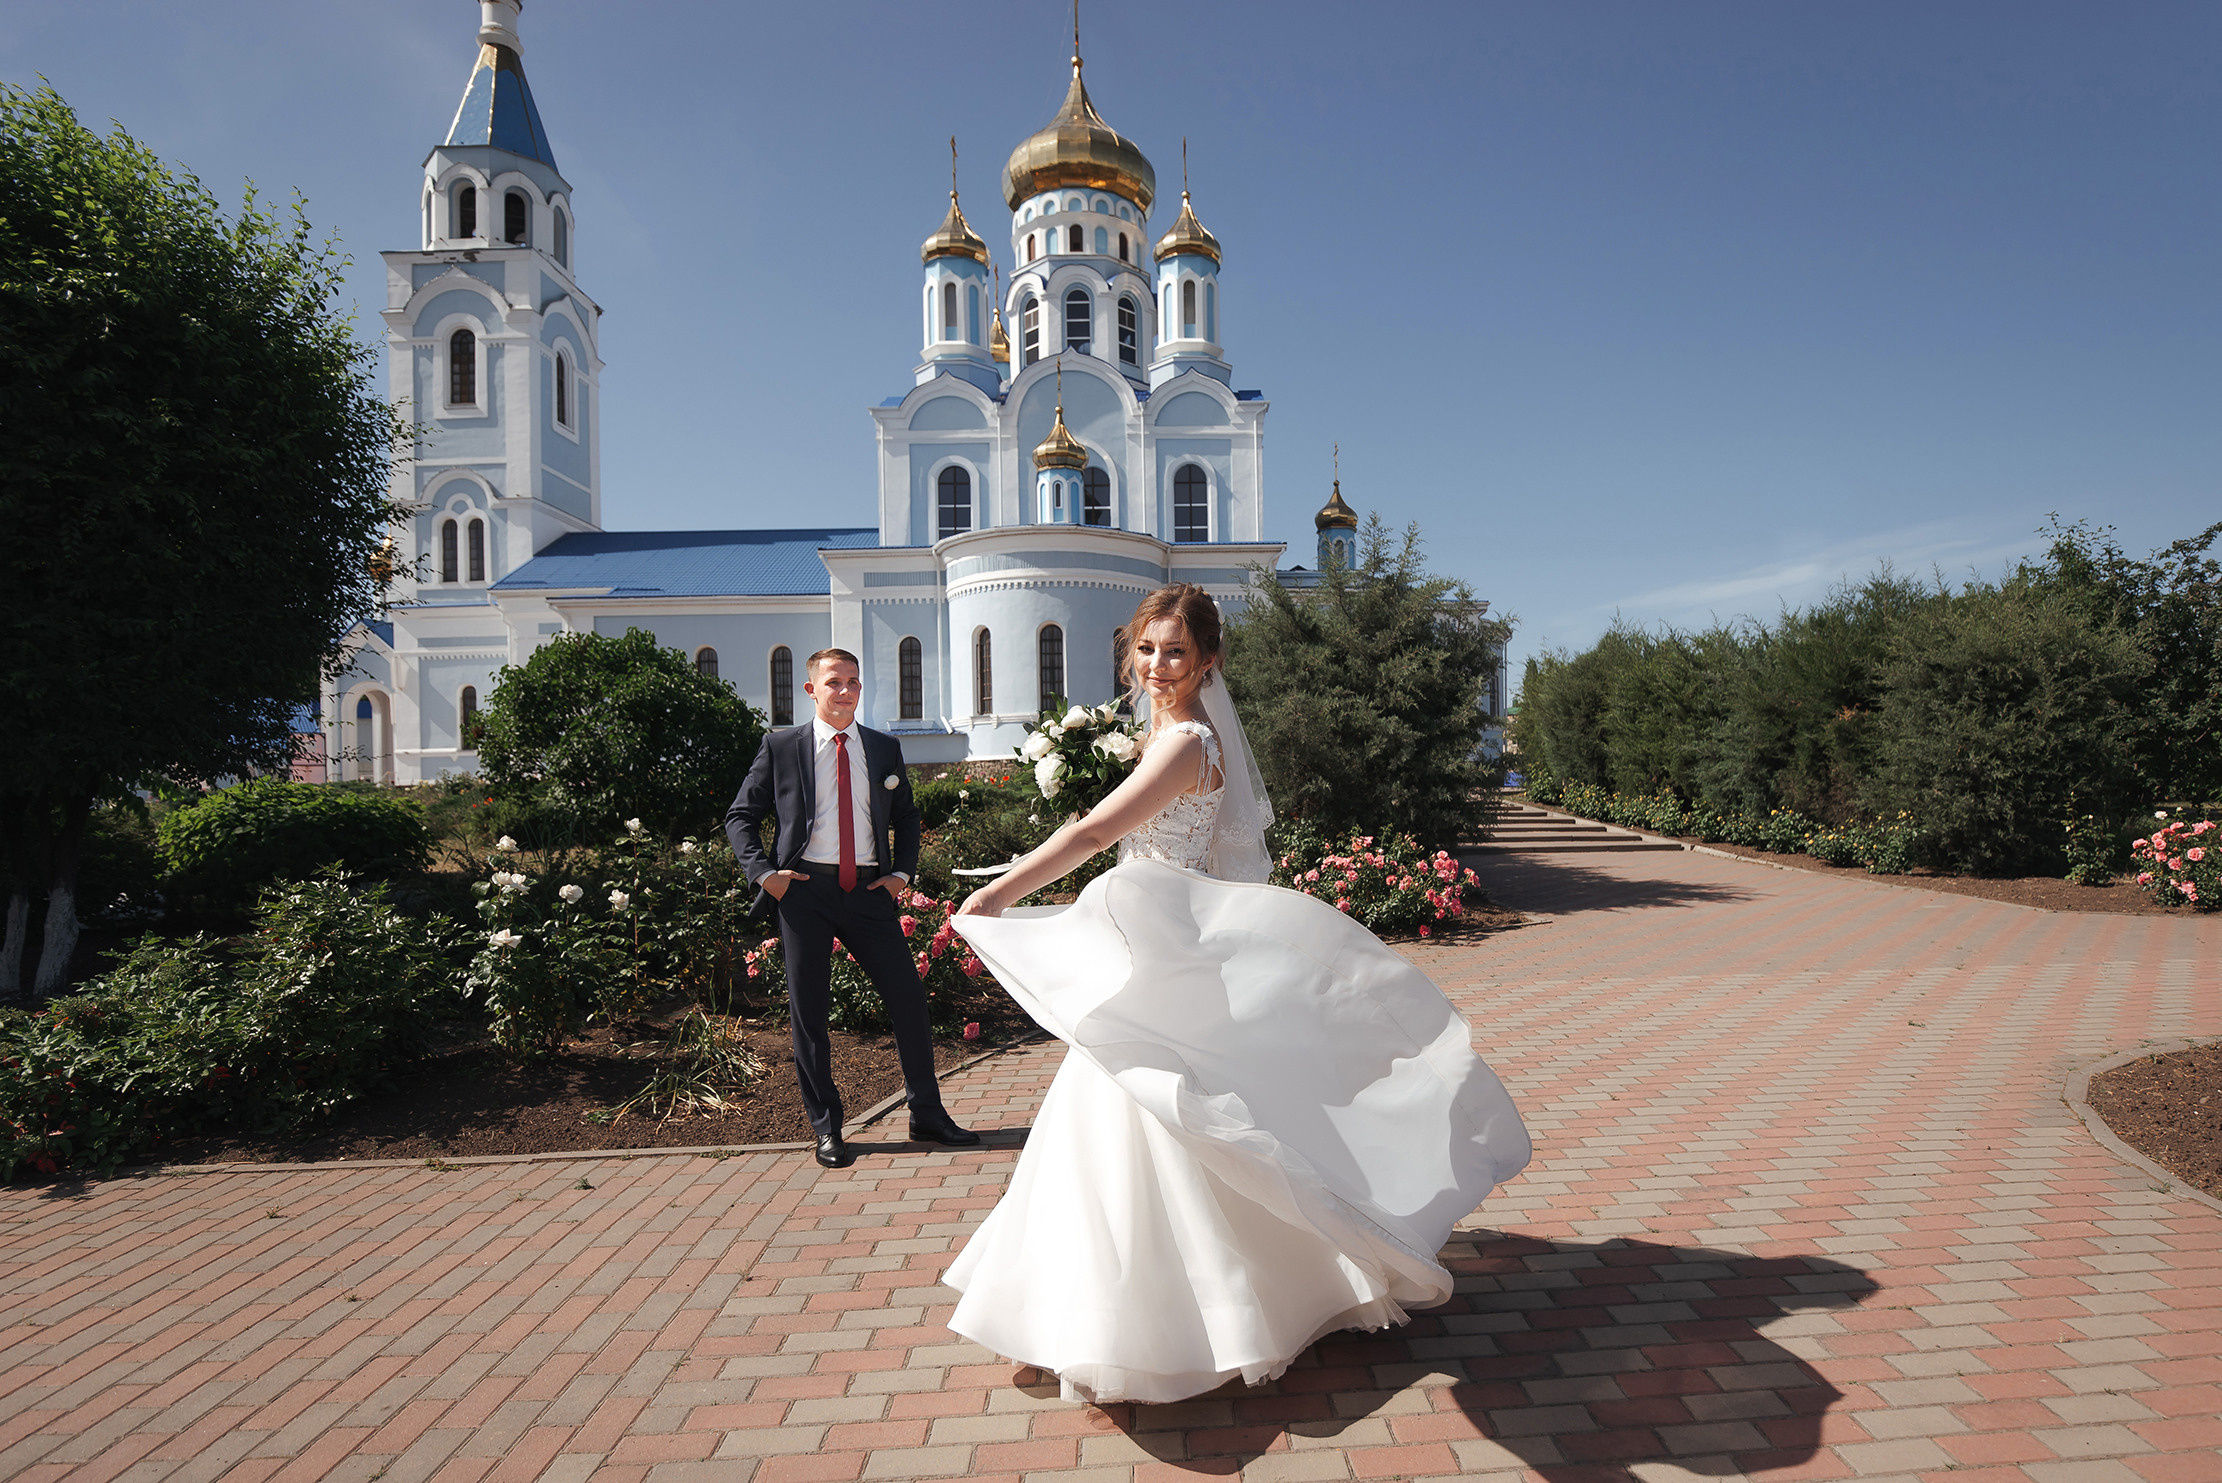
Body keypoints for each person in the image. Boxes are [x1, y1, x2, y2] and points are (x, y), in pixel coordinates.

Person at [948, 584, 1531, 1405]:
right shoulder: (1177, 734)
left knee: (1139, 1106)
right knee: (1126, 1113)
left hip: (1159, 951)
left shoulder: (1185, 742)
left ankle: (1127, 1318)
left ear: (1209, 660)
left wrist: (996, 894)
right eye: (1147, 649)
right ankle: (1078, 1308)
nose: (1158, 664)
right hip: (1152, 939)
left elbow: (1091, 835)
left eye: (1176, 651)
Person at [724, 647, 978, 1169]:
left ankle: (925, 1113)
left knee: (909, 998)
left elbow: (906, 816)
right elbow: (740, 817)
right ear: (811, 690)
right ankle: (827, 1129)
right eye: (834, 682)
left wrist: (899, 877)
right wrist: (766, 877)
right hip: (803, 893)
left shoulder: (883, 748)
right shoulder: (781, 747)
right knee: (810, 1014)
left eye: (854, 682)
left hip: (868, 894)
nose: (846, 691)